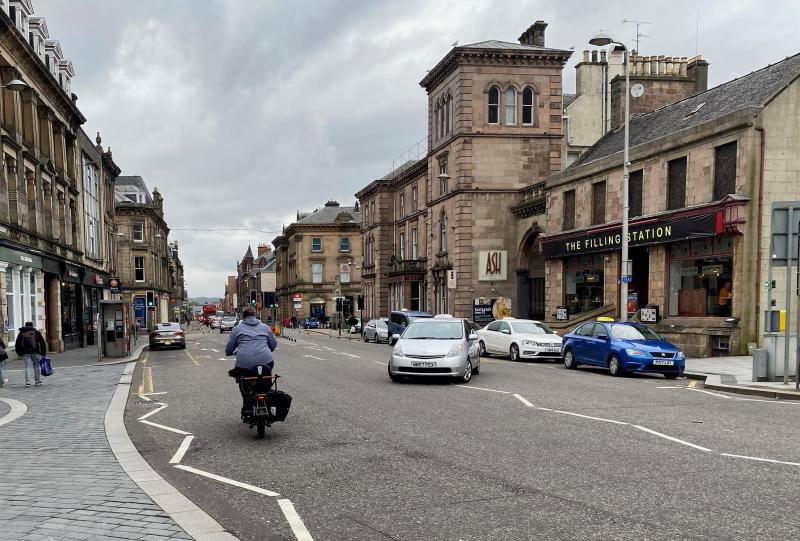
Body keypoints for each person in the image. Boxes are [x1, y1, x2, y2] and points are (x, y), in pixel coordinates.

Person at [225, 305, 278, 417]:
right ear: (255, 315)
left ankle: (247, 403)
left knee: (243, 381)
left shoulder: (237, 329)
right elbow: (273, 344)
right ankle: (267, 397)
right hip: (266, 361)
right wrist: (268, 349)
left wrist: (229, 352)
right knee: (265, 377)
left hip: (244, 363)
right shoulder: (265, 327)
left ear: (243, 316)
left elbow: (229, 348)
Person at [14, 322, 47, 387]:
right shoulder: (37, 332)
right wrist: (43, 353)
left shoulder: (21, 333)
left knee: (27, 367)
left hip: (26, 353)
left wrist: (19, 353)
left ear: (25, 326)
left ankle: (28, 382)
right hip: (36, 352)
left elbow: (17, 344)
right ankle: (37, 381)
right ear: (32, 326)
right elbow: (43, 343)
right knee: (36, 367)